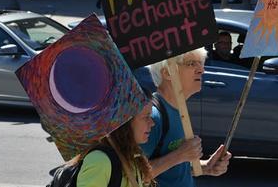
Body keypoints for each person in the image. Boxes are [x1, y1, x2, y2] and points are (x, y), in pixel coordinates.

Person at [141, 48, 232, 187]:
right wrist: (179, 155)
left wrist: (205, 167)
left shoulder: (179, 109)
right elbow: (134, 174)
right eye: (191, 64)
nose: (201, 70)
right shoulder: (153, 117)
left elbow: (174, 169)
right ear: (167, 73)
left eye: (201, 63)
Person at [75, 92, 155, 187]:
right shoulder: (100, 161)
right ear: (126, 121)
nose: (152, 123)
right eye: (146, 117)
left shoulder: (133, 155)